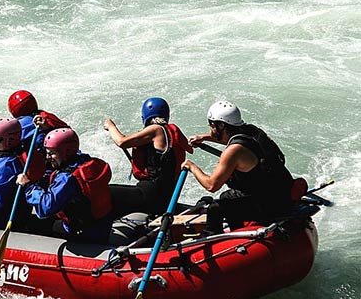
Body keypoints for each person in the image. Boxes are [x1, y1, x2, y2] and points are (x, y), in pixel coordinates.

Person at [182, 100, 295, 235]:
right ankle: (238, 228)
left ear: (222, 125)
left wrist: (192, 166)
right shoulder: (252, 131)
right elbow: (230, 138)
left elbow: (211, 185)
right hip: (281, 191)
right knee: (228, 196)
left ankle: (210, 238)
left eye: (212, 125)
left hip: (268, 203)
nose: (210, 129)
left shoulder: (233, 151)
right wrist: (204, 138)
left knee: (215, 208)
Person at [16, 128, 116, 244]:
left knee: (31, 223)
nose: (47, 157)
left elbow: (45, 208)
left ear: (66, 152)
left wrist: (29, 186)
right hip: (101, 225)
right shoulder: (87, 161)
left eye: (52, 153)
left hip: (82, 233)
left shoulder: (67, 178)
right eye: (47, 152)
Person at [103, 97, 192, 216]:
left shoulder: (155, 130)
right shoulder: (172, 130)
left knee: (103, 192)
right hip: (167, 197)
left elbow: (121, 141)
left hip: (150, 195)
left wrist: (111, 126)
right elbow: (189, 148)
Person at [0, 90, 68, 179]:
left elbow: (3, 145)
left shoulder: (22, 124)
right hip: (59, 161)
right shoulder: (48, 117)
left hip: (43, 169)